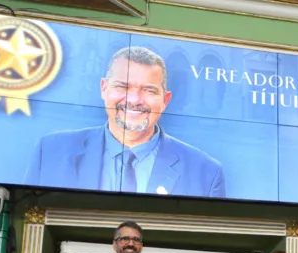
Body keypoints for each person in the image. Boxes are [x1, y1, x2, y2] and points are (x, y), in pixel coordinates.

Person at [24, 46, 226, 198]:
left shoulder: (206, 174)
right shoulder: (50, 152)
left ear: (165, 100)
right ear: (104, 89)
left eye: (149, 90)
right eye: (122, 87)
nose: (134, 100)